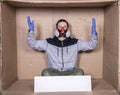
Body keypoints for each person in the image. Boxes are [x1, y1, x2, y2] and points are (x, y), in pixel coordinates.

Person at [27, 16, 98, 76]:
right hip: (54, 73)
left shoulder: (75, 43)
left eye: (65, 26)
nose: (62, 29)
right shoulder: (48, 43)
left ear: (68, 29)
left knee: (80, 72)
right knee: (45, 72)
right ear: (56, 28)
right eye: (60, 26)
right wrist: (31, 32)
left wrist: (94, 34)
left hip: (70, 72)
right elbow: (33, 43)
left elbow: (91, 45)